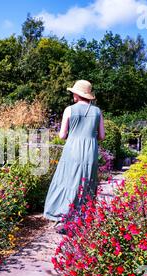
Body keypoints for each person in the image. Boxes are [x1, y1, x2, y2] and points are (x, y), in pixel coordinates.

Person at [43, 80, 105, 229]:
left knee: (67, 180)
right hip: (90, 150)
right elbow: (102, 135)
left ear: (77, 94)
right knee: (86, 182)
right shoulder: (97, 111)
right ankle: (82, 217)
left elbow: (62, 135)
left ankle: (63, 215)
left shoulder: (69, 109)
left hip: (72, 149)